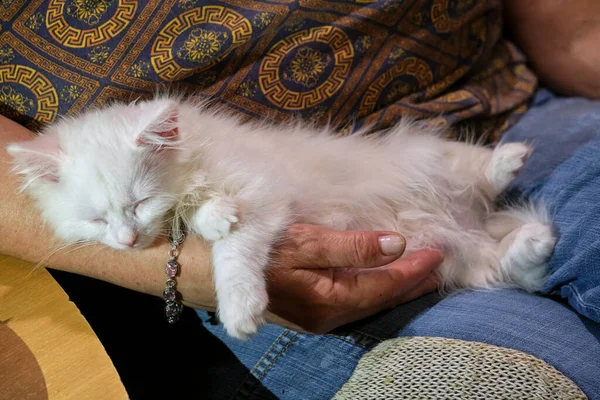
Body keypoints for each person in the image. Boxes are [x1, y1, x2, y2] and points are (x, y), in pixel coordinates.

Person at [1, 0, 599, 398]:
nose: (123, 230)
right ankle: (504, 261)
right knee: (479, 381)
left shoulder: (175, 151)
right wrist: (191, 266)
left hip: (497, 115)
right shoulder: (108, 173)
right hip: (296, 266)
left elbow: (575, 32)